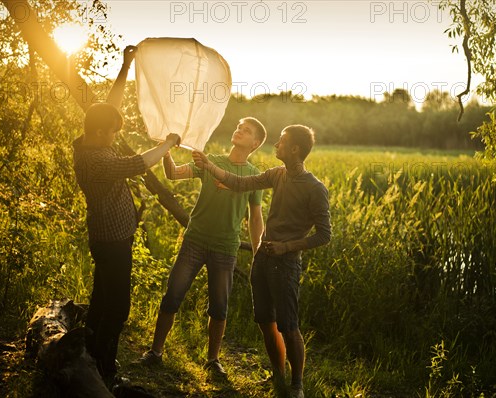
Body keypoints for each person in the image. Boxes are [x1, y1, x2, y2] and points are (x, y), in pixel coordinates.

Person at [193, 125, 331, 398]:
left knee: (289, 327)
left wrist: (286, 247)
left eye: (282, 142)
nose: (276, 145)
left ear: (294, 149)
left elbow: (324, 235)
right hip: (263, 261)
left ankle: (297, 385)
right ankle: (277, 376)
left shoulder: (315, 188)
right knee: (266, 322)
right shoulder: (277, 175)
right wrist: (209, 166)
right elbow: (240, 183)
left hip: (287, 265)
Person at [72, 45, 181, 386]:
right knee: (118, 307)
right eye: (114, 131)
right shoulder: (97, 160)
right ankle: (104, 367)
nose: (117, 134)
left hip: (113, 235)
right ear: (102, 132)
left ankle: (88, 352)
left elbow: (109, 107)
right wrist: (168, 143)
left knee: (102, 298)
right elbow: (137, 164)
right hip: (111, 240)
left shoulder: (93, 139)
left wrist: (125, 67)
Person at [139, 117, 267, 378]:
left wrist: (258, 253)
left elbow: (255, 217)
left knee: (219, 306)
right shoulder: (210, 162)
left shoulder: (254, 176)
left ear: (255, 143)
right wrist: (167, 149)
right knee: (172, 295)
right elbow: (173, 174)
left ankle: (213, 360)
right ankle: (155, 352)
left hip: (225, 248)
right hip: (194, 241)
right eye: (239, 126)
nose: (239, 130)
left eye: (247, 131)